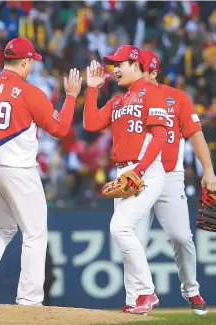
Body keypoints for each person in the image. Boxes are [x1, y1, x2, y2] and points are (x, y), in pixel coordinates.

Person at [0, 37, 82, 305]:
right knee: (34, 233)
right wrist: (70, 97)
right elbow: (59, 130)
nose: (32, 64)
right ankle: (29, 299)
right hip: (18, 169)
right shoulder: (30, 92)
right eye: (31, 60)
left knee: (1, 228)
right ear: (24, 61)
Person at [121, 50, 216, 316]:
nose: (139, 75)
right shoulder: (125, 98)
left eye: (144, 71)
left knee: (180, 236)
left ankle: (191, 289)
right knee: (132, 237)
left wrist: (208, 170)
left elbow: (196, 135)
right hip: (137, 177)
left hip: (169, 174)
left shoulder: (176, 97)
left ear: (153, 72)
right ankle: (135, 298)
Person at [83, 45, 169, 314]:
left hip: (146, 171)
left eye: (120, 64)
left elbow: (160, 136)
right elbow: (90, 124)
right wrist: (93, 88)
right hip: (124, 172)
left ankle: (146, 292)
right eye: (113, 64)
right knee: (131, 239)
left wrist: (140, 171)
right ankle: (134, 300)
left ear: (136, 64)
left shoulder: (153, 93)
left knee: (119, 229)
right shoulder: (118, 99)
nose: (115, 69)